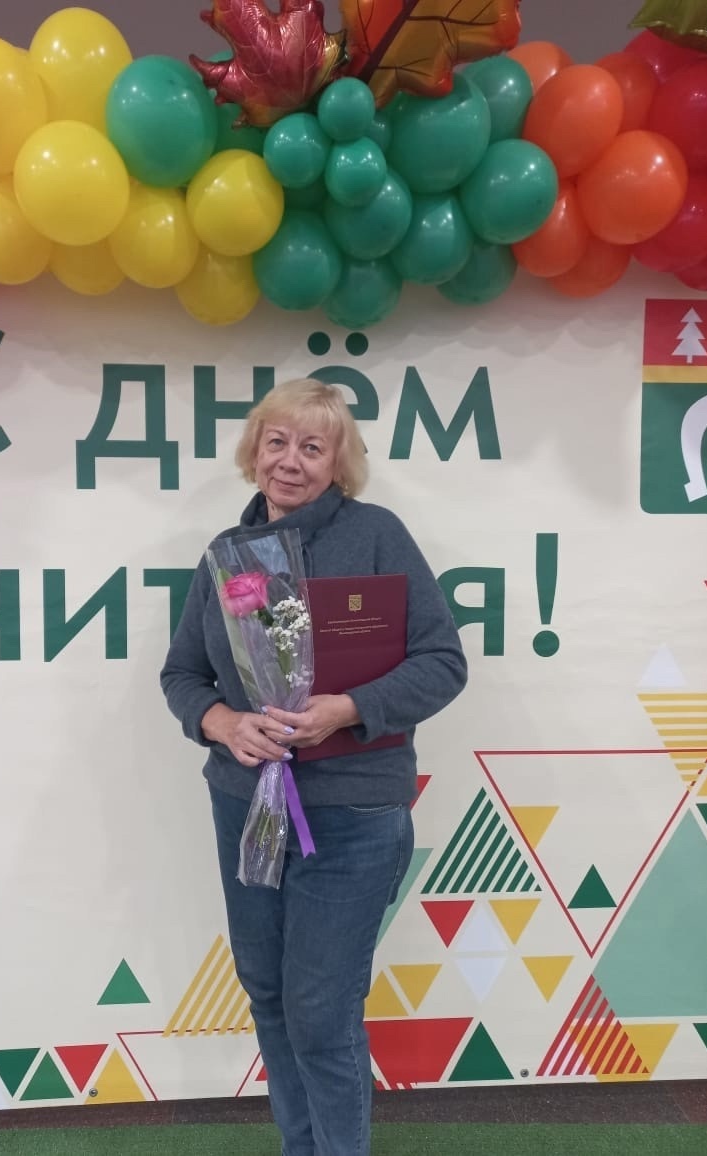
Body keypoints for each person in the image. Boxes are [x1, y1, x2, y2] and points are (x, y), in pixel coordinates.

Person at [160, 378, 467, 1156]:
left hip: (352, 813)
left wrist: (349, 708)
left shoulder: (376, 535)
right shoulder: (225, 554)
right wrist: (222, 722)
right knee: (268, 993)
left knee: (320, 1013)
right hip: (246, 805)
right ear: (253, 449)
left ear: (338, 463)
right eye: (276, 441)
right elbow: (183, 675)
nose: (289, 461)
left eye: (311, 446)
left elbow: (442, 662)